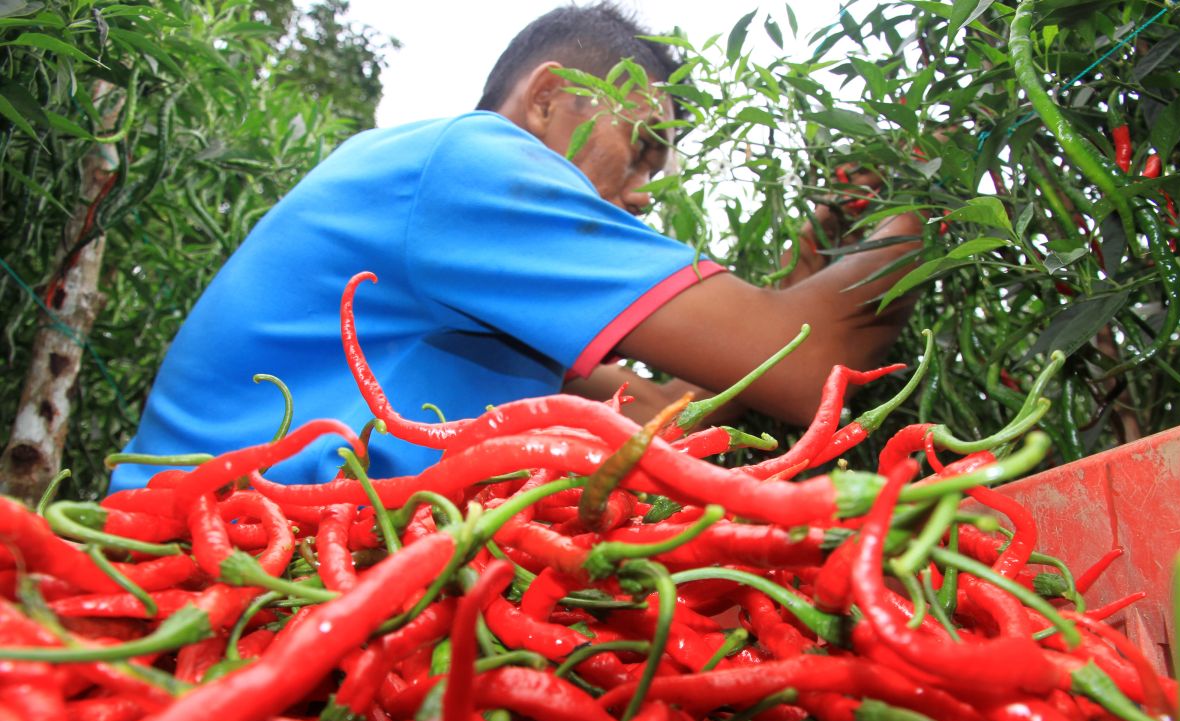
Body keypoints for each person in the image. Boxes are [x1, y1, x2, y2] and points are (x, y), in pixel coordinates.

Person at [108, 2, 922, 492]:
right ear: (548, 99)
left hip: (263, 557)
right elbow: (812, 364)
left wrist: (806, 268)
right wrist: (931, 199)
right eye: (639, 149)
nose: (644, 192)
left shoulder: (475, 251)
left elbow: (652, 416)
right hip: (192, 553)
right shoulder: (473, 165)